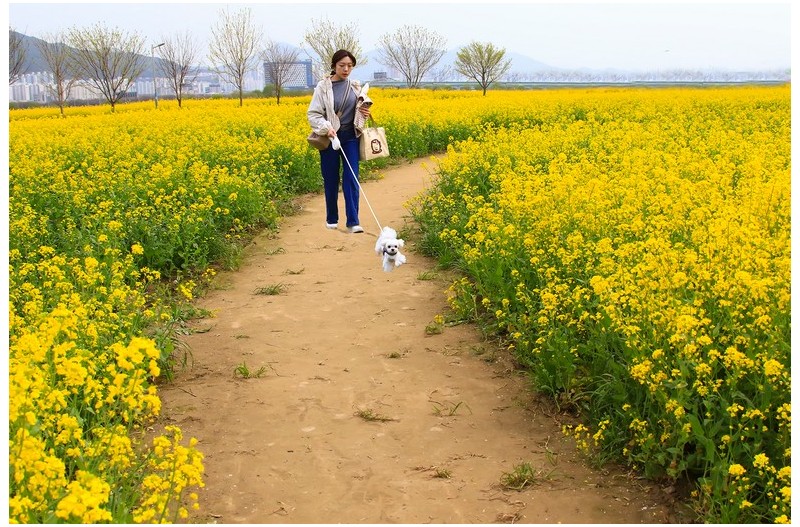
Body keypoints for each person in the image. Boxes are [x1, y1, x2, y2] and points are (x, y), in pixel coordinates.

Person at [307, 49, 372, 233]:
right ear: (334, 66)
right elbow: (313, 114)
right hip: (330, 138)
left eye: (350, 66)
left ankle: (353, 222)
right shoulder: (323, 87)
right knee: (331, 178)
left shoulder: (355, 87)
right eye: (342, 65)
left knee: (351, 177)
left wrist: (365, 113)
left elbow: (358, 112)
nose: (346, 69)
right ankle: (332, 218)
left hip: (350, 137)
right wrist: (326, 128)